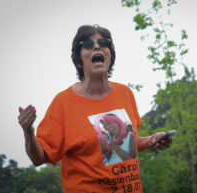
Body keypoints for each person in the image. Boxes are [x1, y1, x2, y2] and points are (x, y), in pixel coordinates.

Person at [17, 24, 173, 193]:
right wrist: (28, 132)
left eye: (103, 43)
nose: (97, 46)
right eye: (88, 45)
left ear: (110, 55)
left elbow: (125, 145)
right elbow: (39, 158)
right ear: (78, 60)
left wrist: (150, 140)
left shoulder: (125, 93)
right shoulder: (63, 103)